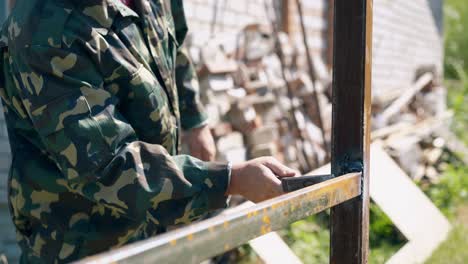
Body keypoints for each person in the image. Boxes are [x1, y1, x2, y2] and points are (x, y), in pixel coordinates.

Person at [0, 0, 298, 262]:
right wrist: (229, 180)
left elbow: (173, 42)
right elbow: (108, 165)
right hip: (84, 243)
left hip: (156, 231)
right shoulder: (45, 29)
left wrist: (195, 120)